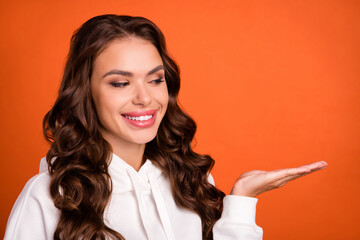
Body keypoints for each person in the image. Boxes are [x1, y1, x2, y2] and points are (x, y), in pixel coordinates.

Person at [4, 14, 327, 240]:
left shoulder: (190, 179)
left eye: (156, 79)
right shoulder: (48, 195)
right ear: (85, 92)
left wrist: (241, 201)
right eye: (120, 83)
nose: (145, 97)